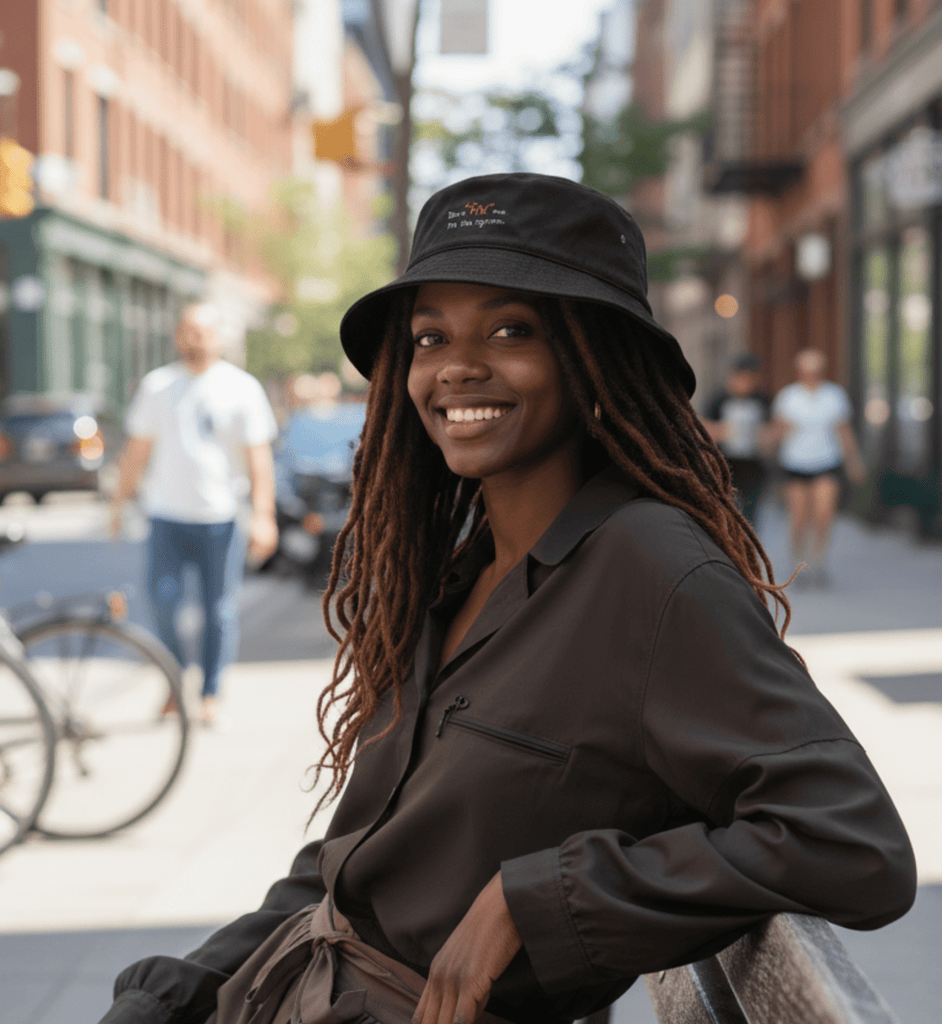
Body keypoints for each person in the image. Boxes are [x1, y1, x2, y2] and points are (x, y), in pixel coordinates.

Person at [98, 175, 914, 1024]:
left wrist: (538, 900)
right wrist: (182, 988)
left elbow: (849, 843)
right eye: (429, 337)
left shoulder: (649, 567)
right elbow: (352, 872)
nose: (457, 367)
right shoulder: (456, 575)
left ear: (594, 356)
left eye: (511, 329)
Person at [109, 302, 279, 724]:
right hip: (166, 515)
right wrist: (118, 501)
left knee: (218, 610)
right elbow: (137, 452)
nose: (194, 340)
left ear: (219, 338)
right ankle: (173, 683)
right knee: (162, 604)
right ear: (177, 336)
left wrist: (264, 516)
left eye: (203, 332)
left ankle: (210, 692)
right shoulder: (158, 386)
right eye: (187, 331)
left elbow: (259, 460)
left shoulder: (242, 388)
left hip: (220, 518)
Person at [772, 348, 866, 587]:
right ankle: (799, 563)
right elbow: (777, 432)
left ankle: (818, 561)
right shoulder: (789, 396)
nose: (811, 375)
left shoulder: (834, 396)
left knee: (824, 514)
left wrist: (854, 461)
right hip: (795, 462)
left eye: (815, 370)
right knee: (799, 517)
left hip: (827, 462)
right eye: (806, 370)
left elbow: (844, 431)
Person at [701, 352, 771, 525]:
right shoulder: (719, 398)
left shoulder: (762, 399)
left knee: (749, 514)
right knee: (725, 512)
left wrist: (767, 437)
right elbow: (701, 425)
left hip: (753, 465)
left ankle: (745, 548)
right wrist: (719, 431)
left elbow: (772, 427)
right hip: (725, 464)